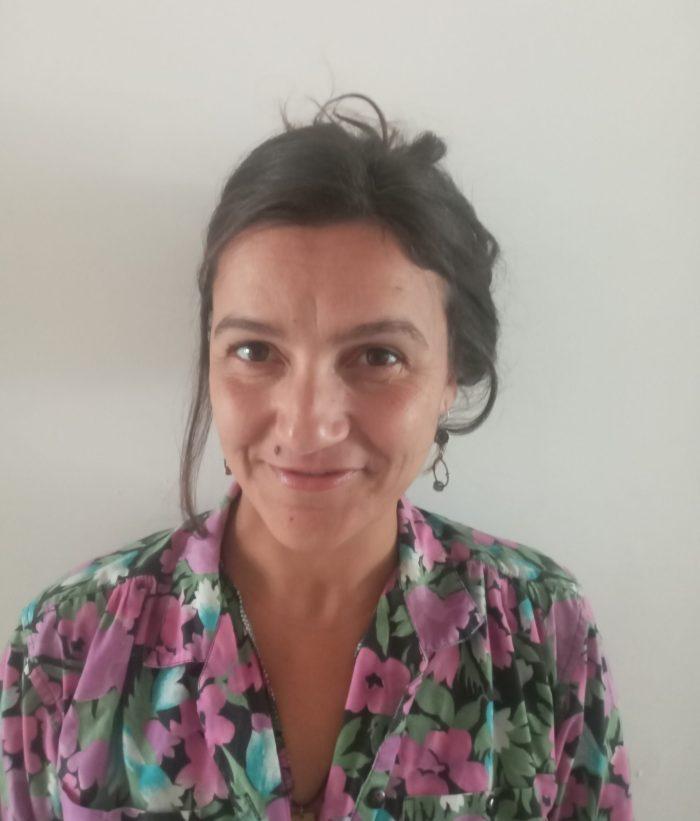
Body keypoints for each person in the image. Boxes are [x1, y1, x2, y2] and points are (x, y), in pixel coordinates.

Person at [0, 93, 633, 821]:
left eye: (378, 356)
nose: (308, 425)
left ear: (451, 375)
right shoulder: (68, 642)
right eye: (254, 351)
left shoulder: (540, 629)